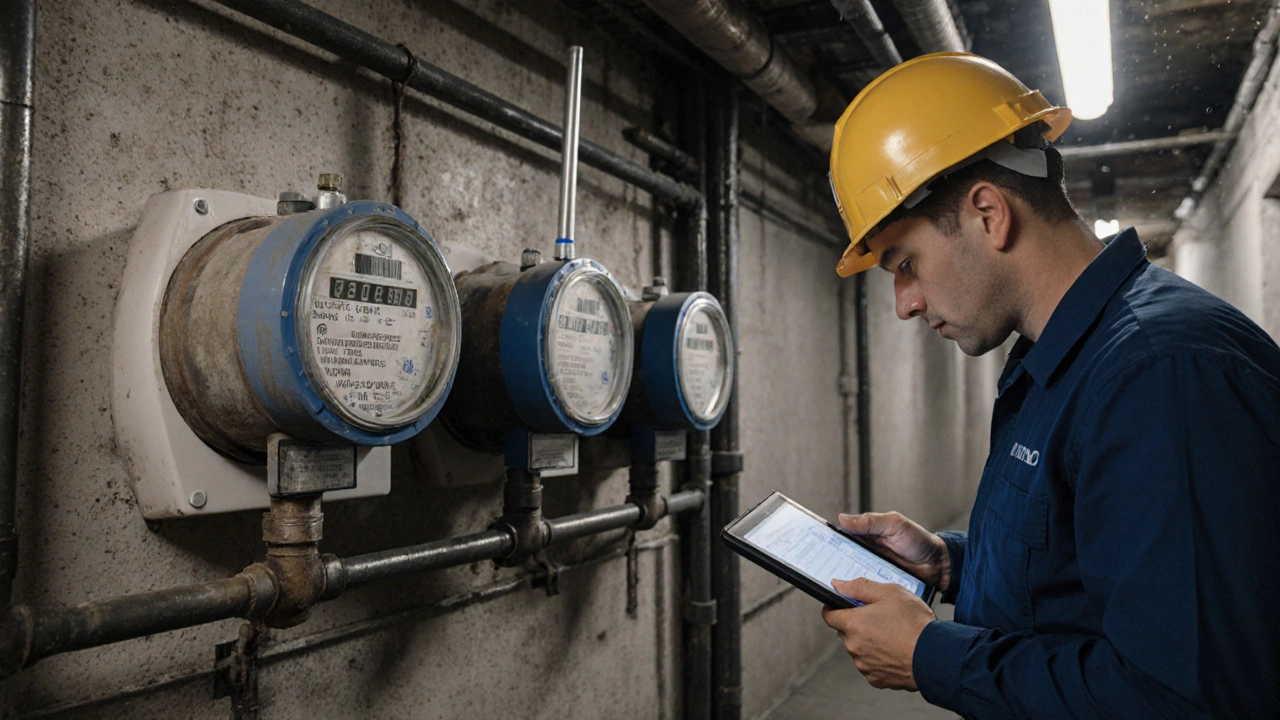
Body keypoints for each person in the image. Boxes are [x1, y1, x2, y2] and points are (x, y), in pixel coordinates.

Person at [820, 52, 1280, 719]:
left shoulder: (1160, 374)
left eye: (906, 264)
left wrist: (930, 655)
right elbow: (1091, 564)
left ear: (988, 213)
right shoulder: (1060, 362)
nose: (904, 304)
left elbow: (1186, 696)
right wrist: (950, 564)